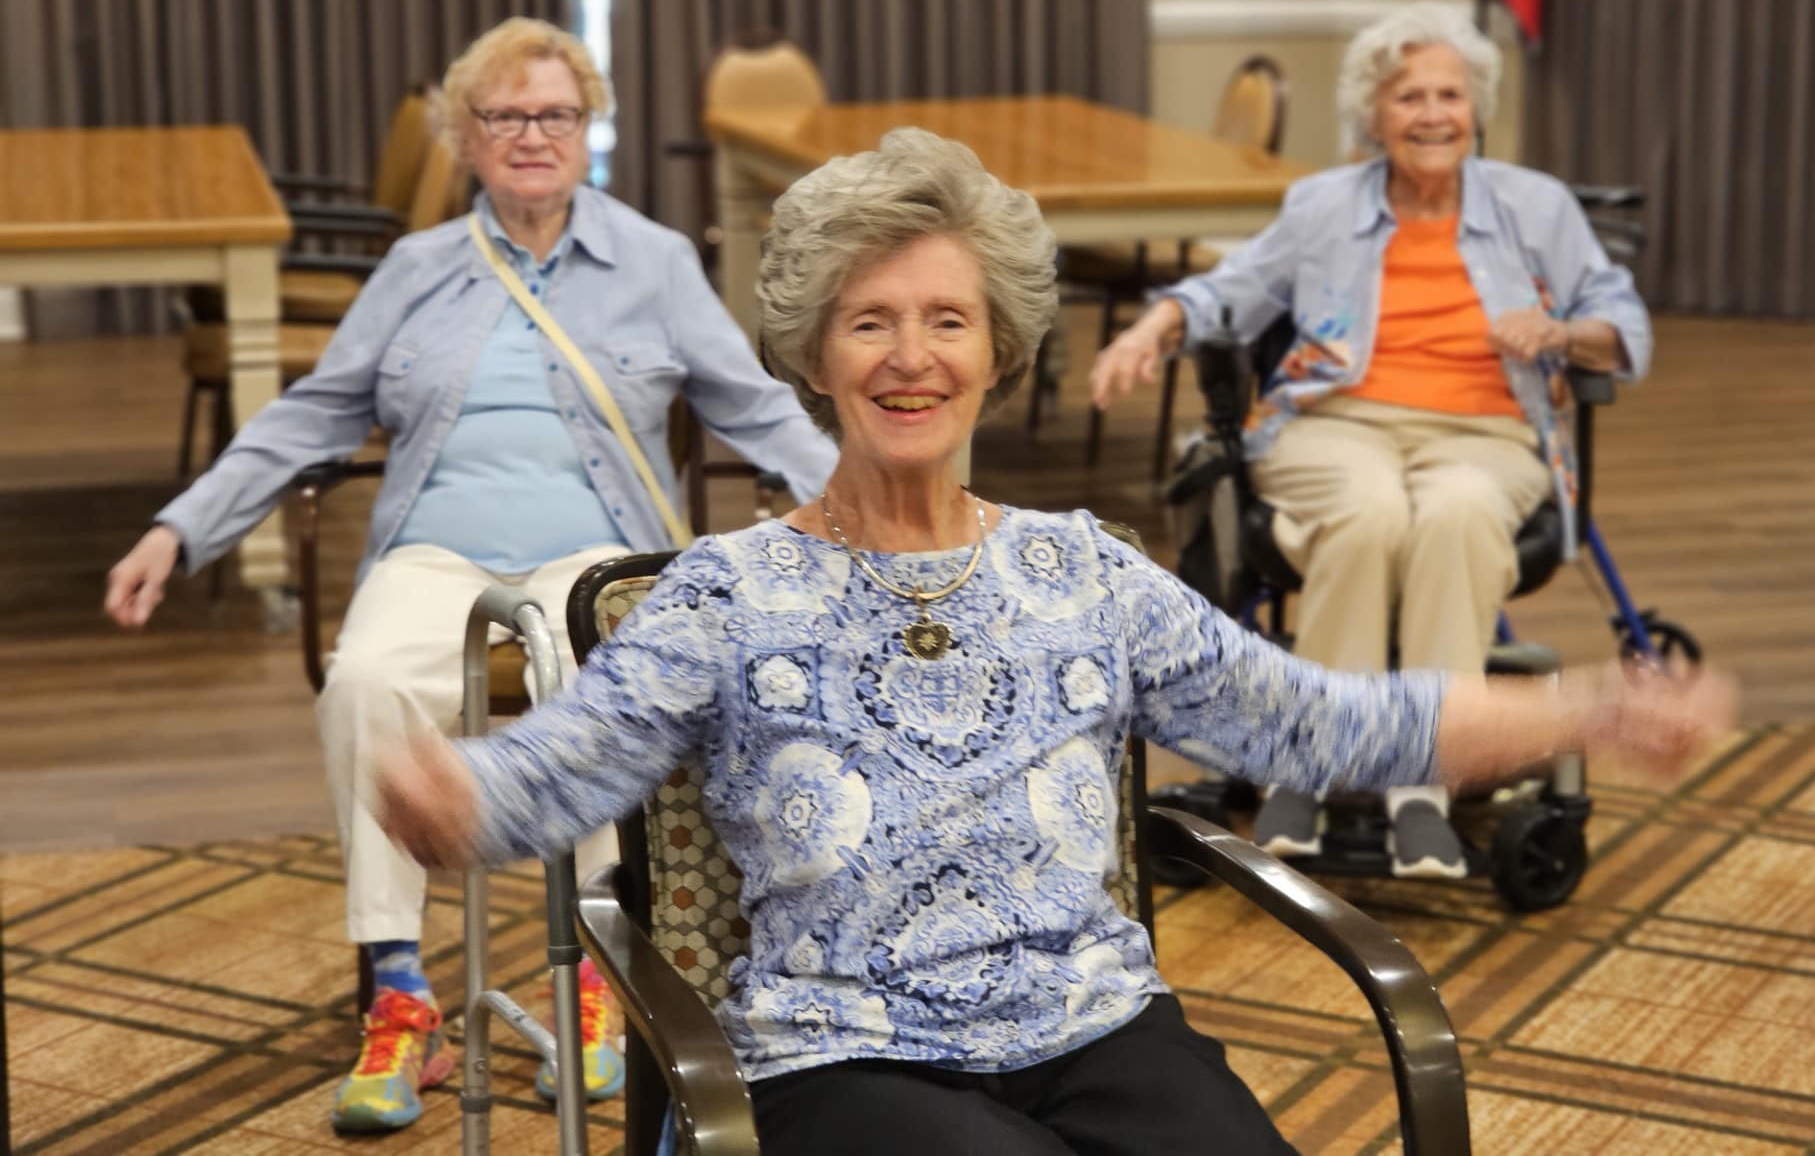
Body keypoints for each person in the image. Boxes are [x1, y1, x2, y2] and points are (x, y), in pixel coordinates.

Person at [376, 128, 1727, 1156]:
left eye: (946, 320)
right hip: (846, 1057)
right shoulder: (729, 594)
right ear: (815, 358)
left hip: (1095, 1023)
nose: (912, 357)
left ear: (1000, 349)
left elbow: (1326, 725)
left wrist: (1587, 712)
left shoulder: (1082, 570)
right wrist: (453, 800)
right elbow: (559, 768)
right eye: (871, 322)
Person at [101, 17, 839, 1134]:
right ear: (465, 135)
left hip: (595, 546)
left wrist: (874, 510)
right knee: (364, 682)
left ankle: (600, 973)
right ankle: (400, 993)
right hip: (435, 549)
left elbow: (753, 403)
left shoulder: (654, 262)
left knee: (608, 668)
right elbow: (312, 414)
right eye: (504, 116)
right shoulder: (417, 268)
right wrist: (181, 528)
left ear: (589, 131)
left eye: (555, 114)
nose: (532, 135)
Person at [1090, 2, 1654, 879]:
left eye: (1450, 95)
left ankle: (1423, 787)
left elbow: (1621, 321)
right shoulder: (1323, 206)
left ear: (1476, 107)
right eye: (1408, 98)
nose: (1433, 115)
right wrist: (1153, 327)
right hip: (1334, 424)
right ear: (1374, 115)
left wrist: (1563, 334)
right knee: (1366, 510)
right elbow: (1230, 291)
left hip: (1487, 429)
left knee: (1458, 514)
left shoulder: (1534, 207)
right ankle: (1305, 768)